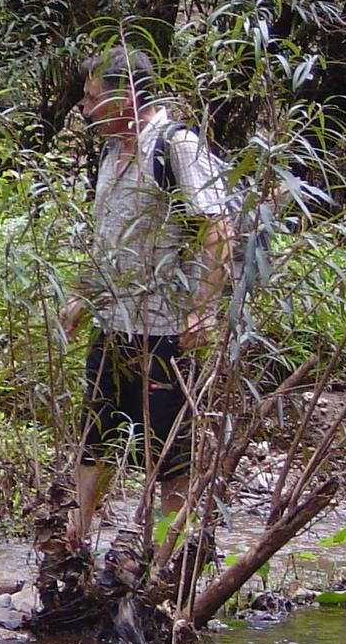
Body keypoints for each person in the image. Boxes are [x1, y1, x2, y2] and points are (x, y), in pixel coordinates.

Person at [59, 45, 234, 544]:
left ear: (129, 96)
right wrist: (84, 293)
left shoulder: (177, 147)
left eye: (94, 99)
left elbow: (217, 228)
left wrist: (200, 310)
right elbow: (110, 239)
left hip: (166, 331)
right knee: (96, 441)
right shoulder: (112, 155)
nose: (87, 110)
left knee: (172, 452)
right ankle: (75, 544)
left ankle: (165, 555)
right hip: (114, 324)